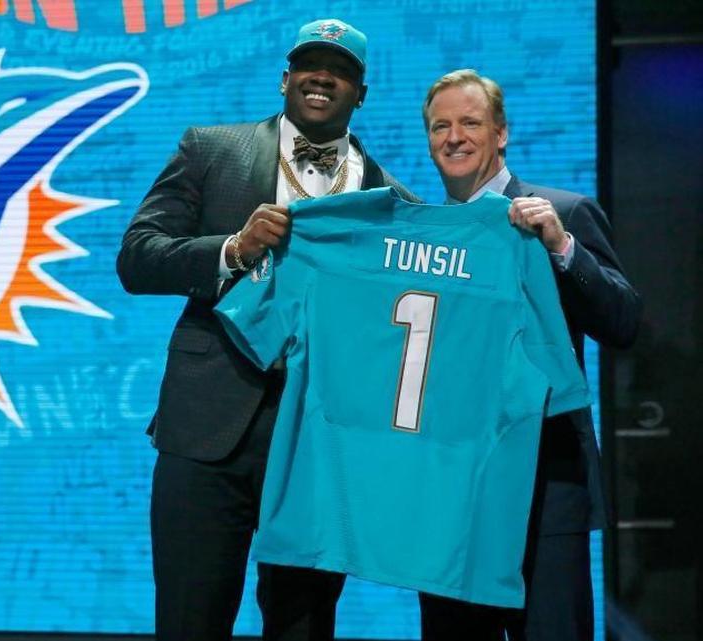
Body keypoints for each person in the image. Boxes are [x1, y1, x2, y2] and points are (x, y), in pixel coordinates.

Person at [117, 18, 417, 641]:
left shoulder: (391, 201)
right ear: (285, 78)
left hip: (317, 440)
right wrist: (230, 249)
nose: (322, 78)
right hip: (206, 431)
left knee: (304, 626)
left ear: (362, 93)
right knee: (189, 622)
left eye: (340, 71)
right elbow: (137, 258)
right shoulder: (211, 148)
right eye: (310, 64)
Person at [418, 69, 641, 641]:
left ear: (501, 135)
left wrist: (562, 246)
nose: (455, 137)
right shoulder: (422, 236)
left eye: (470, 123)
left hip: (547, 485)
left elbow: (623, 322)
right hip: (448, 495)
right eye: (440, 126)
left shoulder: (564, 212)